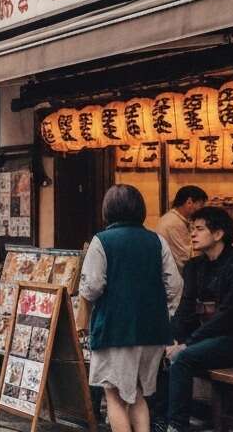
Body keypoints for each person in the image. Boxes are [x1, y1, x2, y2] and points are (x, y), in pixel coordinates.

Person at [80, 185, 182, 432]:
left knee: (113, 394)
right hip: (152, 331)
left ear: (108, 210)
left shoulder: (101, 241)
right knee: (137, 394)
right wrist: (164, 312)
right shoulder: (157, 241)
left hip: (114, 329)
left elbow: (91, 287)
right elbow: (175, 284)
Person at [164, 207, 233, 432]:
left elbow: (228, 316)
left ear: (218, 234)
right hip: (206, 339)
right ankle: (161, 419)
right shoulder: (194, 266)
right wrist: (172, 339)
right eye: (191, 229)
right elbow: (185, 309)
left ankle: (176, 426)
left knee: (183, 358)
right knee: (163, 353)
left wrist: (187, 344)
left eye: (199, 229)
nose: (193, 234)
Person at [155, 185, 206, 273]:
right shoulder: (173, 223)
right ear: (189, 202)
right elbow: (184, 258)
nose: (201, 210)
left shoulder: (179, 219)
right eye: (200, 206)